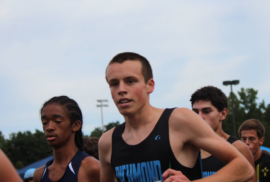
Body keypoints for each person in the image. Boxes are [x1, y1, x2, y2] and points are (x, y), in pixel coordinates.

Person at [98, 52, 254, 182]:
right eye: (114, 84)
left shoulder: (178, 120)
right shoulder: (107, 142)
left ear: (150, 85)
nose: (121, 89)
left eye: (130, 81)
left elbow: (244, 168)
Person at [190, 86, 256, 181]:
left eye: (206, 111)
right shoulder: (187, 148)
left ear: (223, 114)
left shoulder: (239, 149)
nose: (199, 117)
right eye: (195, 112)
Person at [33, 96, 100, 182]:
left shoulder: (93, 168)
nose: (49, 127)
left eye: (57, 121)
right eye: (45, 122)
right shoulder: (39, 175)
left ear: (76, 125)